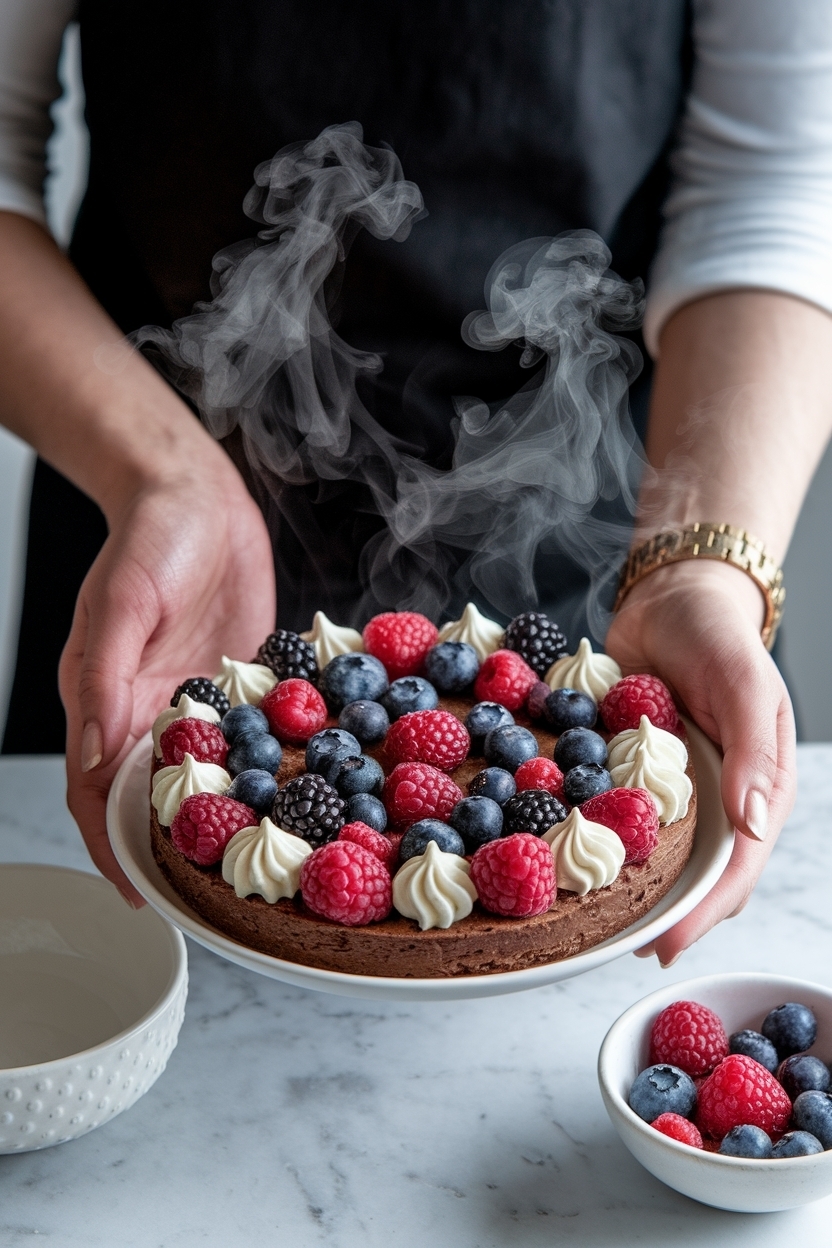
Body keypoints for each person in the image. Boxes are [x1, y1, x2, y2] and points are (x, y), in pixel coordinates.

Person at [0, 0, 831, 967]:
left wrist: (700, 566)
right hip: (157, 533)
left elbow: (774, 182)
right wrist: (157, 471)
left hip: (613, 560)